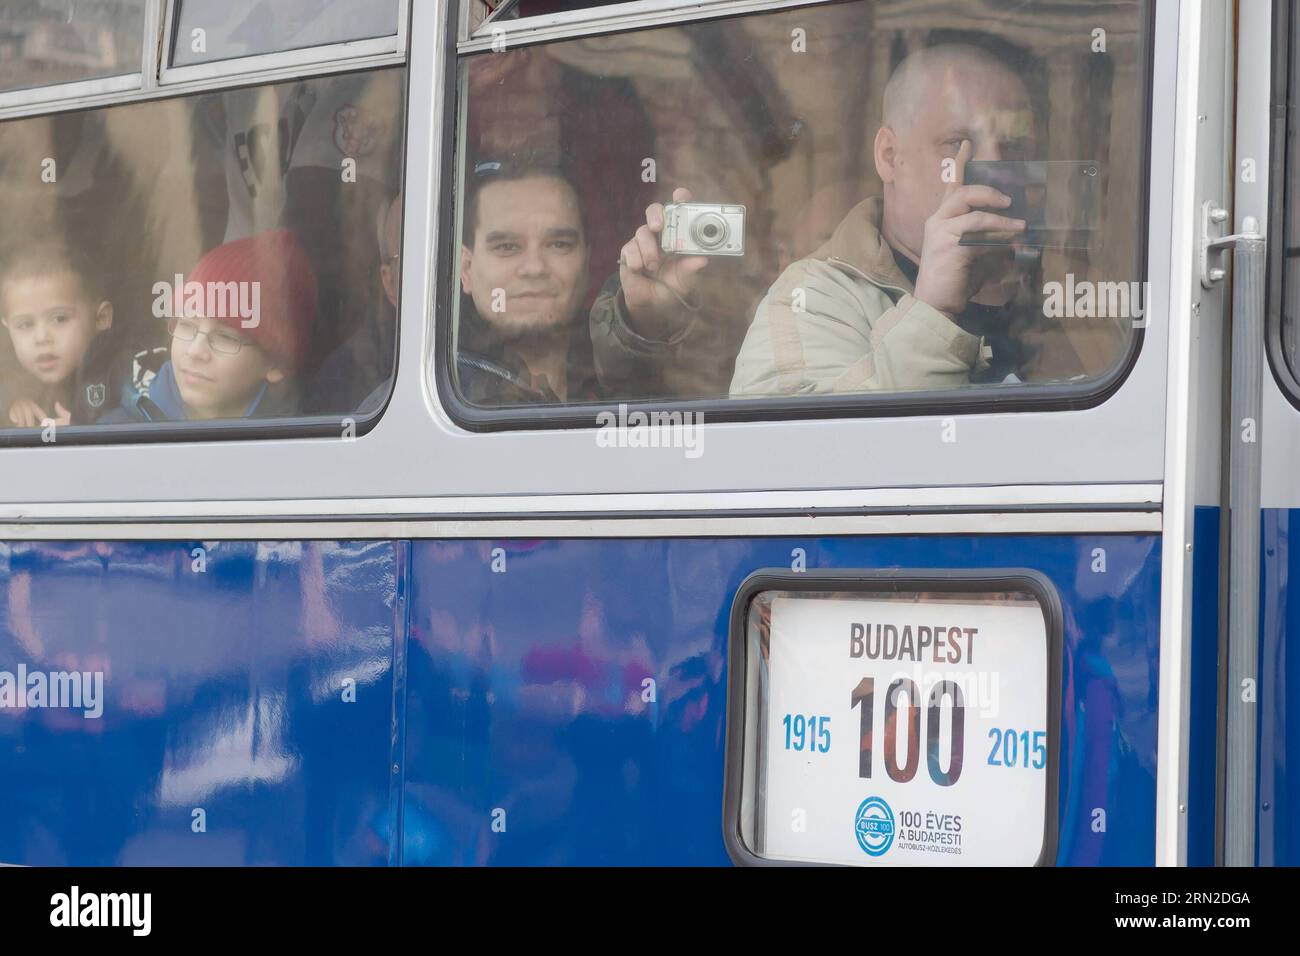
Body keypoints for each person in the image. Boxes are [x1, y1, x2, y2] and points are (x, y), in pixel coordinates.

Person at [598, 42, 1045, 397]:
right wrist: (934, 315)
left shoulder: (1054, 288)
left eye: (1015, 145)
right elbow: (815, 477)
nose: (993, 167)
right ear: (890, 156)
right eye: (957, 142)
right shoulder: (811, 302)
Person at [102, 229, 316, 423]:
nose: (195, 351)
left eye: (225, 337)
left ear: (276, 365)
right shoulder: (119, 429)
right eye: (186, 325)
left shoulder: (298, 444)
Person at [456, 158, 598, 405]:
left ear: (587, 264)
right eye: (507, 247)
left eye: (558, 244)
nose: (534, 268)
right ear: (466, 269)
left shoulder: (633, 384)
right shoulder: (426, 399)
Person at [0, 239, 125, 428]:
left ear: (101, 318)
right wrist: (10, 407)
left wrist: (88, 427)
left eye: (59, 319)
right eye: (25, 324)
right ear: (7, 329)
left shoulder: (120, 372)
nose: (42, 338)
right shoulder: (14, 382)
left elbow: (146, 418)